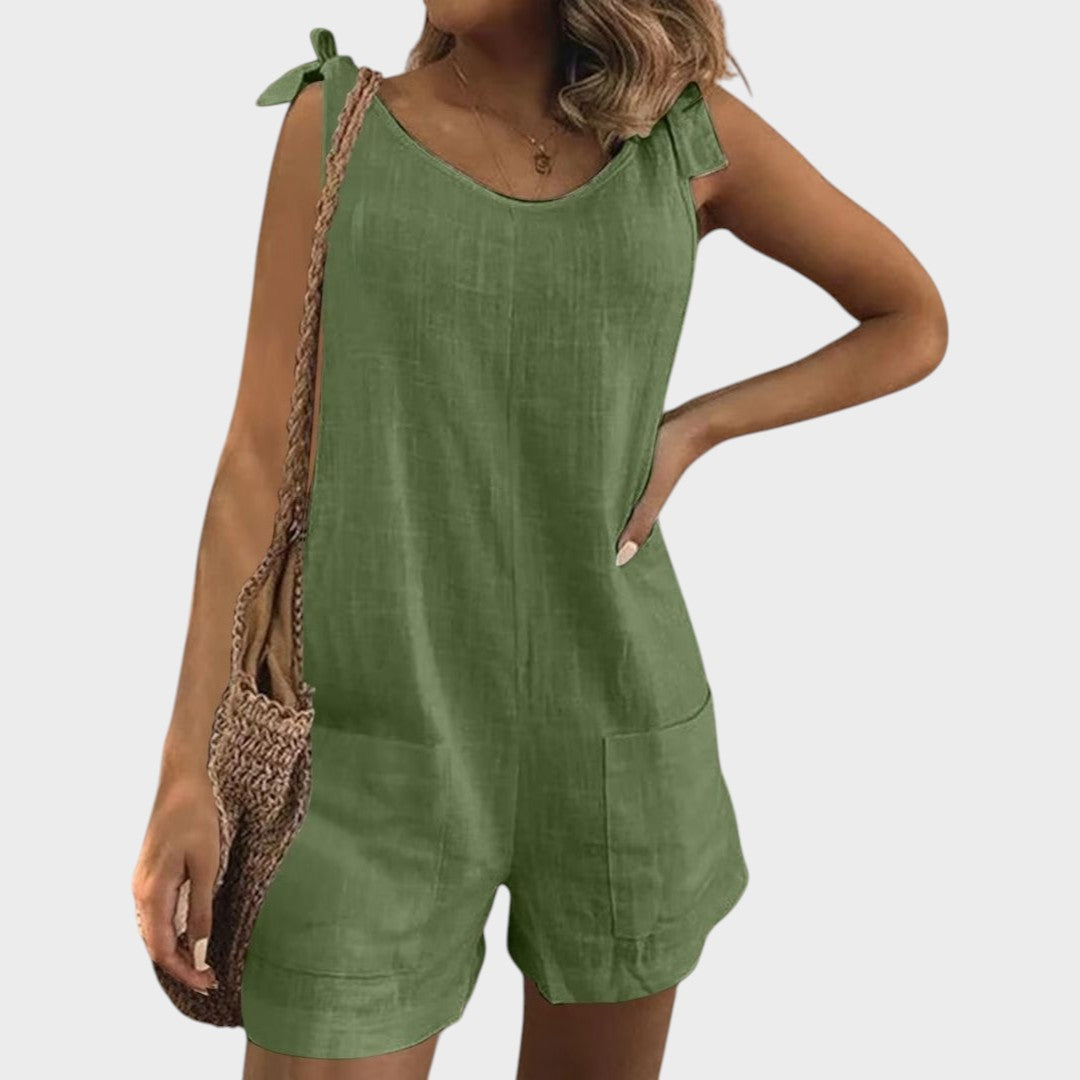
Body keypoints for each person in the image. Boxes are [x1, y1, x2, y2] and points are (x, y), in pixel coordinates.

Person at [132, 3, 948, 1077]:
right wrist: (184, 773)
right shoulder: (334, 128)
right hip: (364, 761)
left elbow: (909, 317)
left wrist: (696, 429)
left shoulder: (684, 137)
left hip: (616, 731)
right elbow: (255, 463)